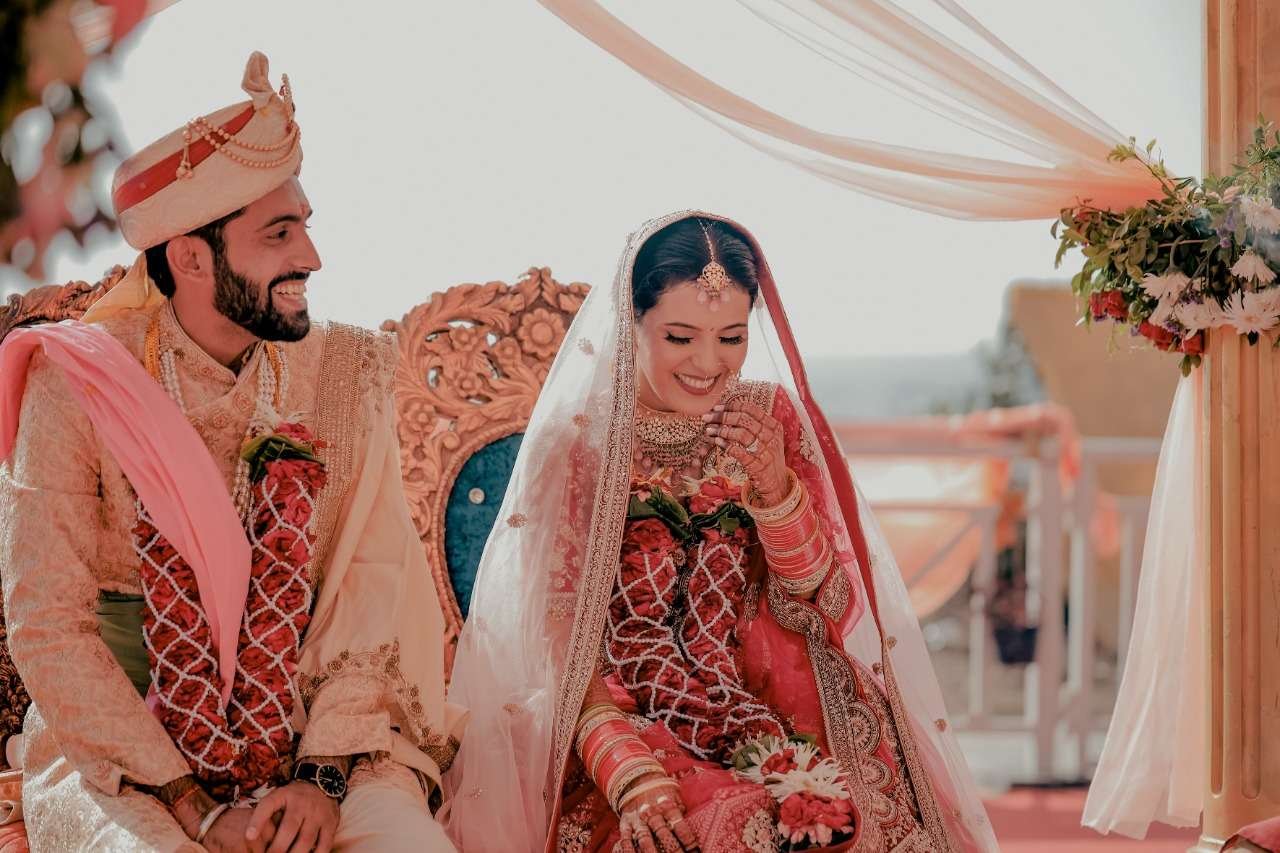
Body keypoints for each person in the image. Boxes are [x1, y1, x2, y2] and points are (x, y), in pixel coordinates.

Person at [0, 52, 464, 852]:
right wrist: (194, 805)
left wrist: (320, 779)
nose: (311, 256)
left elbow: (372, 583)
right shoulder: (77, 379)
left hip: (313, 737)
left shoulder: (345, 370)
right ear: (190, 257)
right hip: (123, 754)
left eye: (306, 225)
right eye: (279, 234)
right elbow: (47, 622)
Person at [444, 211, 996, 852]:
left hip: (765, 698)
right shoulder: (581, 443)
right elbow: (555, 638)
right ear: (631, 323)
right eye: (680, 337)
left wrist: (775, 490)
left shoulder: (768, 416)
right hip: (617, 714)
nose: (709, 364)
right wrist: (626, 770)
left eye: (731, 338)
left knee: (859, 818)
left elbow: (822, 596)